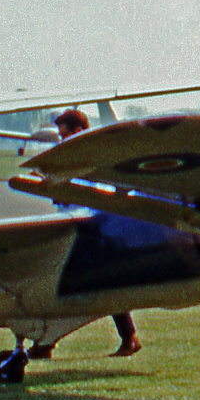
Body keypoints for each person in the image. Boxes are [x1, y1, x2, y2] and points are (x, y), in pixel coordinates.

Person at [54, 108, 142, 357]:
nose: (62, 140)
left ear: (80, 131)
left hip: (92, 228)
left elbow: (93, 192)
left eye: (66, 134)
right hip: (71, 224)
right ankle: (129, 338)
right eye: (60, 136)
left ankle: (129, 338)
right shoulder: (70, 156)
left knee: (103, 285)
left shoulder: (91, 156)